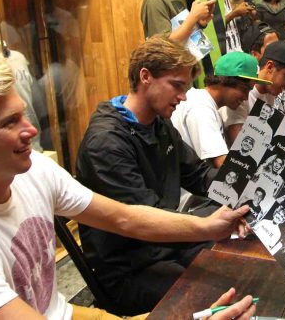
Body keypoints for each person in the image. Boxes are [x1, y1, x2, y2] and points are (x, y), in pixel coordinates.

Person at [0, 47, 254, 320]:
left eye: (24, 116)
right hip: (131, 270)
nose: (31, 131)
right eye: (10, 122)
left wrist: (212, 226)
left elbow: (124, 216)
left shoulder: (36, 170)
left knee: (231, 286)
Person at [75, 37, 228, 314]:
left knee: (234, 261)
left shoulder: (160, 125)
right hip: (129, 267)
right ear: (146, 76)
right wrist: (211, 224)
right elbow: (145, 218)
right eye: (177, 86)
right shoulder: (106, 143)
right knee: (216, 294)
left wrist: (243, 188)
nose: (182, 97)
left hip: (164, 246)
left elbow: (198, 175)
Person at [171, 51, 270, 168]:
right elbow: (221, 164)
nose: (246, 97)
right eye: (244, 89)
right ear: (225, 80)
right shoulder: (201, 106)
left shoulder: (207, 104)